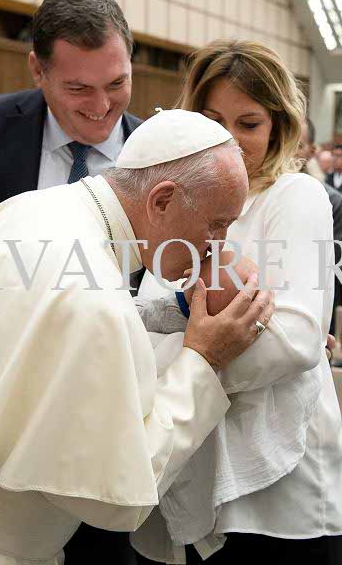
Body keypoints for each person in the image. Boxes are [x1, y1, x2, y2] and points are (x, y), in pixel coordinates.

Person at [0, 110, 274, 565]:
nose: (218, 245)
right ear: (162, 201)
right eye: (217, 224)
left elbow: (40, 330)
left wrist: (171, 314)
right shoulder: (92, 294)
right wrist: (203, 359)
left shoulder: (39, 208)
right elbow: (117, 497)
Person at [131, 40, 342, 565]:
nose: (228, 139)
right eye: (211, 118)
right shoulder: (175, 199)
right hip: (188, 465)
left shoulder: (295, 195)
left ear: (277, 127)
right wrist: (206, 342)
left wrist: (190, 362)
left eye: (247, 123)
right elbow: (144, 326)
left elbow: (295, 341)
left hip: (278, 490)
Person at [0, 0, 142, 243]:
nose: (101, 106)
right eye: (79, 88)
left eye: (116, 83)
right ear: (38, 71)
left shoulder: (163, 155)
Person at [298, 118, 342, 333]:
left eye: (296, 145)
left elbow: (330, 269)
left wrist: (324, 330)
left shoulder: (330, 199)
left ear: (311, 150)